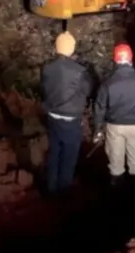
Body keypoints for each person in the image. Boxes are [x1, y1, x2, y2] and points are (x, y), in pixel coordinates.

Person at [92, 43, 135, 186]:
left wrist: (98, 129)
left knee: (115, 163)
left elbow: (100, 108)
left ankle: (117, 194)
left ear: (115, 61)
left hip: (114, 127)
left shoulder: (107, 83)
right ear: (131, 59)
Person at [40, 31, 94, 196]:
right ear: (72, 49)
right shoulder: (80, 71)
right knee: (69, 155)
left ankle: (51, 187)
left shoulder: (47, 68)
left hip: (52, 115)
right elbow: (87, 89)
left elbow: (43, 89)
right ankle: (64, 189)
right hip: (71, 117)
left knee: (55, 151)